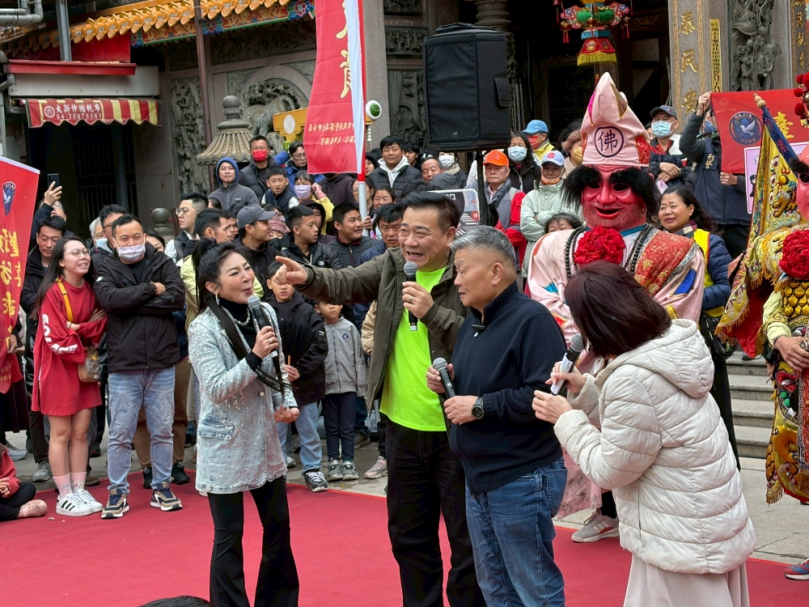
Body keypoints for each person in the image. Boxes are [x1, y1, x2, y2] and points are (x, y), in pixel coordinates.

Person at [273, 193, 485, 607]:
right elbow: (348, 283)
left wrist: (432, 313)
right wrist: (308, 277)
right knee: (408, 537)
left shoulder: (470, 272)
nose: (408, 240)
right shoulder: (392, 265)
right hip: (401, 428)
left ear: (451, 234)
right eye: (403, 230)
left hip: (457, 429)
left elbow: (486, 340)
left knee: (467, 541)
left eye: (421, 232)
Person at [525, 72, 704, 542]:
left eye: (621, 186)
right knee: (585, 445)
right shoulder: (551, 247)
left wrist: (607, 343)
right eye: (593, 184)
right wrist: (581, 338)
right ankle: (601, 511)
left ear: (644, 188)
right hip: (575, 367)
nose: (604, 199)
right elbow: (544, 303)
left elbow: (670, 318)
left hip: (643, 377)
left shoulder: (677, 252)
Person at [533, 261, 755, 606]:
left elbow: (611, 468)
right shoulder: (671, 343)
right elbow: (652, 421)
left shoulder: (632, 375)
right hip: (699, 519)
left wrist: (566, 419)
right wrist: (586, 392)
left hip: (678, 534)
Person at [426, 227, 568, 606]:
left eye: (461, 270)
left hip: (521, 473)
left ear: (495, 272)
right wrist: (449, 384)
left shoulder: (532, 319)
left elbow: (546, 395)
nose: (456, 281)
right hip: (480, 473)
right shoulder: (475, 319)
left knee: (534, 586)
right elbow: (485, 382)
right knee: (495, 588)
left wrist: (479, 406)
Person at [187, 240, 300, 606]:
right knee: (229, 535)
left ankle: (277, 601)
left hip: (265, 438)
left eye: (247, 268)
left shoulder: (263, 310)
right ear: (212, 286)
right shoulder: (203, 328)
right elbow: (217, 388)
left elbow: (279, 368)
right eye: (234, 273)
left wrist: (288, 404)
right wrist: (254, 357)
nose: (247, 277)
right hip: (225, 442)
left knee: (278, 526)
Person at [94, 215, 185, 519]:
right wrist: (150, 290)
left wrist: (129, 303)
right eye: (125, 239)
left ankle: (162, 486)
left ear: (144, 235)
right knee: (120, 434)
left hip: (161, 362)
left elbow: (176, 298)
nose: (132, 243)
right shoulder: (104, 265)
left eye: (137, 237)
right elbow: (109, 300)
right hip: (124, 365)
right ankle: (117, 492)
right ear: (113, 241)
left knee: (163, 430)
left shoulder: (162, 261)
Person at [658, 186, 739, 467]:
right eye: (662, 207)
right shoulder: (652, 244)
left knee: (714, 405)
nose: (666, 211)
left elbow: (728, 288)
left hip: (701, 337)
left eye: (673, 205)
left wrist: (686, 302)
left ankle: (725, 466)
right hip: (663, 339)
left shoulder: (709, 242)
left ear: (691, 209)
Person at [32, 236, 107, 517]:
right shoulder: (52, 291)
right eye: (75, 253)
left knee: (81, 432)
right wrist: (82, 328)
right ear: (61, 261)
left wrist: (75, 326)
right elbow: (55, 337)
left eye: (85, 251)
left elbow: (100, 326)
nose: (83, 256)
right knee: (61, 433)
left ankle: (79, 487)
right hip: (58, 367)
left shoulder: (92, 289)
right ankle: (64, 494)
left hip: (84, 367)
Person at [262, 263, 328, 477]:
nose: (283, 288)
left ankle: (313, 468)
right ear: (269, 283)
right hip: (273, 381)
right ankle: (278, 468)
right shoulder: (261, 312)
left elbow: (320, 345)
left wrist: (300, 369)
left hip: (304, 380)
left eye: (288, 283)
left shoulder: (308, 310)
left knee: (308, 427)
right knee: (276, 429)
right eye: (278, 283)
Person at [21, 215, 67, 483]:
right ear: (36, 237)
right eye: (44, 238)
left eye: (55, 239)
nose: (49, 244)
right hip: (37, 340)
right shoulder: (26, 265)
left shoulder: (70, 260)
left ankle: (76, 461)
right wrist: (60, 305)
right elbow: (28, 302)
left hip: (69, 340)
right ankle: (42, 460)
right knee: (36, 400)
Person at [679, 92, 750, 259]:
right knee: (709, 270)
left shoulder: (749, 146)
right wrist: (699, 112)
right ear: (710, 119)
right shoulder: (705, 145)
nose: (722, 119)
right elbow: (685, 145)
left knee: (740, 273)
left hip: (741, 222)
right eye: (717, 115)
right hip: (709, 222)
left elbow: (761, 184)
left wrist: (737, 181)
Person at [316, 301, 367, 483]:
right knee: (331, 427)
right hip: (327, 387)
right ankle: (333, 461)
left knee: (347, 426)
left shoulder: (350, 328)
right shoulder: (317, 330)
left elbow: (359, 358)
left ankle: (348, 461)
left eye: (336, 303)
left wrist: (360, 385)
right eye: (326, 303)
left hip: (348, 386)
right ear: (317, 308)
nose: (332, 307)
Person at [520, 150, 581, 278]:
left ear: (563, 171)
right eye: (546, 168)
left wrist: (540, 216)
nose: (550, 172)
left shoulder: (571, 195)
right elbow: (526, 227)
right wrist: (556, 229)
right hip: (535, 260)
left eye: (555, 168)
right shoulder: (530, 197)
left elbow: (574, 225)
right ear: (541, 169)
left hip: (563, 259)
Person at [272, 206, 343, 271]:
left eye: (315, 224)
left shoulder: (326, 251)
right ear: (296, 230)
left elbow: (339, 278)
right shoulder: (284, 258)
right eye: (311, 225)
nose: (316, 229)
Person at [234, 205, 281, 289]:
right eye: (265, 223)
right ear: (249, 228)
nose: (270, 226)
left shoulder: (274, 254)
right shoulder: (232, 257)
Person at [0, 442, 47, 522]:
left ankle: (4, 510)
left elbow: (10, 477)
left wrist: (7, 488)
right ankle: (18, 512)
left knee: (29, 488)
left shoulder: (1, 450)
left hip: (2, 498)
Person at [648, 105, 688, 188]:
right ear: (652, 124)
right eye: (657, 119)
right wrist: (659, 166)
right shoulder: (646, 147)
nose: (660, 123)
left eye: (665, 119)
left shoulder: (685, 144)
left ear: (676, 124)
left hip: (682, 196)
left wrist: (677, 172)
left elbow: (696, 170)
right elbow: (639, 170)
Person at [328, 203, 377, 269]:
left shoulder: (374, 245)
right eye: (352, 220)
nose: (358, 224)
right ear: (337, 225)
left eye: (359, 219)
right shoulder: (329, 250)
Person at [165, 192, 207, 264]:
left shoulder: (212, 238)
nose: (179, 215)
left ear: (200, 213)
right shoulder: (174, 245)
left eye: (184, 211)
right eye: (179, 211)